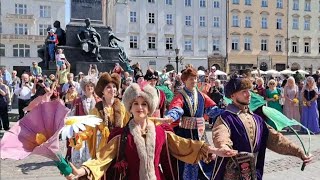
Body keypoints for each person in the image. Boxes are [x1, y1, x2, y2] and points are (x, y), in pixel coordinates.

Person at [64, 83, 237, 180]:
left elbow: (184, 145)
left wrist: (214, 150)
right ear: (130, 108)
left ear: (150, 107)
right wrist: (82, 171)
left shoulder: (161, 133)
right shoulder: (122, 136)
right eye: (136, 104)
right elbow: (102, 159)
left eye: (144, 104)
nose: (140, 107)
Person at [211, 76, 313, 180]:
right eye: (244, 91)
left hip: (254, 173)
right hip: (231, 174)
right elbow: (221, 135)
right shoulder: (225, 118)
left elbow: (277, 140)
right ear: (232, 95)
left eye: (249, 90)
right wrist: (224, 146)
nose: (249, 94)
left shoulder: (257, 119)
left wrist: (299, 152)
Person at [166, 68, 223, 179]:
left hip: (200, 135)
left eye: (195, 78)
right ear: (185, 80)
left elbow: (212, 109)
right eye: (191, 79)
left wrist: (227, 113)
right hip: (185, 135)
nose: (194, 81)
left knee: (204, 161)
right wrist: (170, 117)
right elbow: (176, 109)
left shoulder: (201, 95)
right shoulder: (180, 96)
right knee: (187, 163)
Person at [86, 72, 130, 159]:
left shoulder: (122, 107)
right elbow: (90, 130)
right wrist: (81, 136)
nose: (112, 89)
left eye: (114, 87)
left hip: (119, 148)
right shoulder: (96, 110)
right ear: (102, 91)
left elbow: (128, 125)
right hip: (104, 150)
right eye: (108, 87)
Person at [65, 76, 100, 165]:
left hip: (93, 132)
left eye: (91, 86)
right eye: (87, 86)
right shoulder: (77, 101)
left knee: (90, 156)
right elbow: (72, 116)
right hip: (79, 132)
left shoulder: (98, 101)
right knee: (77, 157)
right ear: (84, 87)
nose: (89, 88)